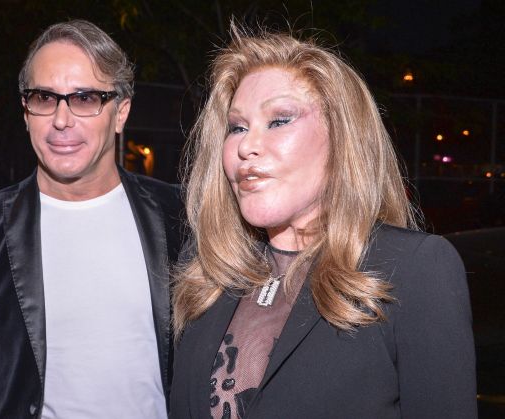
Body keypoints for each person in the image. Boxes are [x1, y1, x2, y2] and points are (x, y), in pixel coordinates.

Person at [170, 24, 476, 419]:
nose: (247, 145)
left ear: (342, 138)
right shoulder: (205, 274)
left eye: (279, 121)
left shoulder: (414, 270)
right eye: (237, 127)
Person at [0, 19, 184, 419]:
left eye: (85, 98)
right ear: (26, 112)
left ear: (121, 112)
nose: (61, 120)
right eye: (44, 97)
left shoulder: (178, 214)